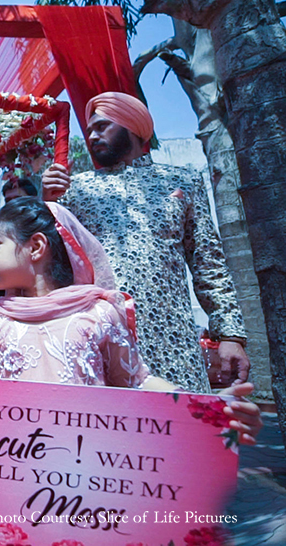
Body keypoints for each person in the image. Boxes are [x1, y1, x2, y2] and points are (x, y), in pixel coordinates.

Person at [0, 197, 262, 445]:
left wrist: (209, 409)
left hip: (89, 471)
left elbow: (137, 383)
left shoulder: (98, 314)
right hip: (17, 467)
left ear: (36, 247)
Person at [40, 91, 248, 393]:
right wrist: (47, 202)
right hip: (99, 341)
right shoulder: (76, 190)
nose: (93, 136)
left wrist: (230, 335)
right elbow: (48, 261)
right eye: (90, 130)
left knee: (183, 419)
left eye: (102, 127)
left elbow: (208, 263)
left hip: (174, 345)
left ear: (133, 127)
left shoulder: (182, 181)